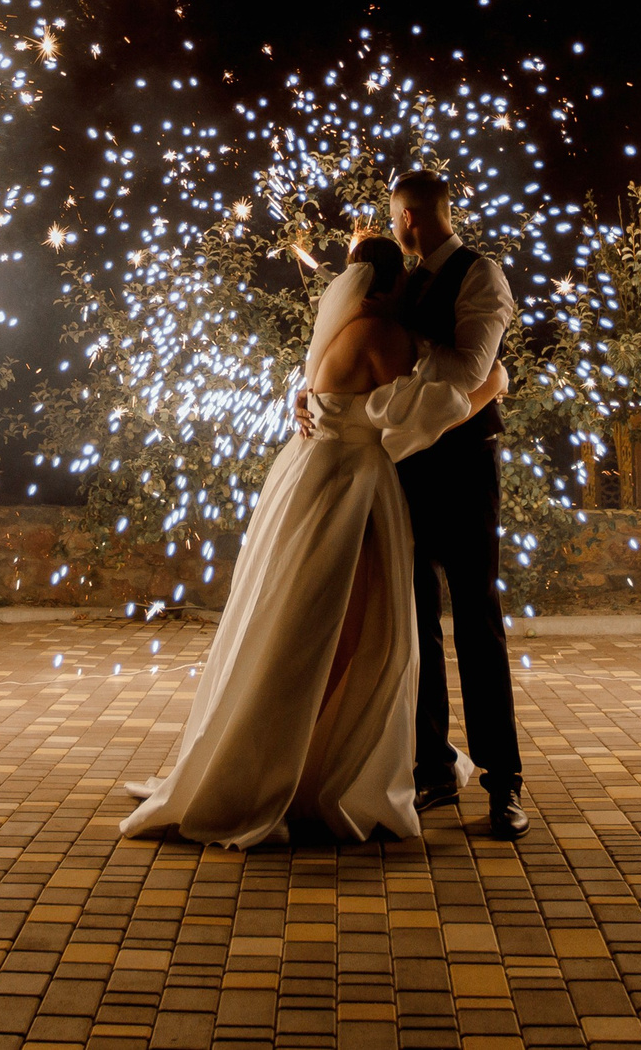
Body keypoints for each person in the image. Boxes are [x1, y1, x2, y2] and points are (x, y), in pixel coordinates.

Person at [120, 234, 507, 847]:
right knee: (335, 633)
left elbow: (337, 396)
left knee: (305, 623)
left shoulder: (341, 329)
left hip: (316, 476)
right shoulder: (381, 333)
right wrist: (491, 385)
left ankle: (304, 759)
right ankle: (285, 770)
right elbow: (414, 417)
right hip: (346, 489)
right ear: (387, 287)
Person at [382, 169, 529, 840]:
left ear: (409, 216)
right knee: (415, 623)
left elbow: (470, 372)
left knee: (476, 619)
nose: (394, 229)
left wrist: (404, 347)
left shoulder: (480, 275)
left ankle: (504, 782)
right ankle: (434, 765)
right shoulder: (405, 280)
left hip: (466, 468)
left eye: (395, 218)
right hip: (406, 469)